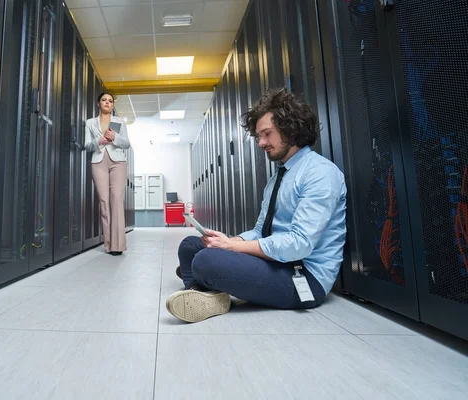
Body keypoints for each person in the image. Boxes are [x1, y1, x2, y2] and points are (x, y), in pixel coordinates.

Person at [166, 88, 347, 323]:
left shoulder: (320, 173)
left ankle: (203, 281)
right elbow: (261, 231)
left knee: (205, 260)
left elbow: (300, 245)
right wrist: (229, 241)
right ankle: (207, 290)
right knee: (191, 245)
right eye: (259, 136)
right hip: (276, 263)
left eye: (267, 134)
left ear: (291, 128)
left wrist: (230, 248)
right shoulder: (277, 177)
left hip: (303, 275)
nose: (261, 143)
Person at [85, 93, 131, 255]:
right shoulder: (90, 123)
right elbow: (87, 145)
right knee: (104, 202)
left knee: (116, 199)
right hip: (98, 162)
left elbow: (127, 144)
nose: (107, 103)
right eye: (104, 100)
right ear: (98, 104)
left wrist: (115, 137)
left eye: (110, 101)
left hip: (118, 162)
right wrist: (99, 141)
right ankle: (109, 244)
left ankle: (118, 246)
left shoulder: (119, 122)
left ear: (112, 105)